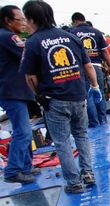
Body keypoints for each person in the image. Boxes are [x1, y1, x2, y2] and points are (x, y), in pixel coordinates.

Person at [21, 0, 99, 193]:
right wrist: (95, 86)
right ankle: (88, 173)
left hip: (55, 100)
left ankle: (74, 183)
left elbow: (30, 77)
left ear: (31, 19)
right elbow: (88, 66)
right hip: (79, 96)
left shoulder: (32, 42)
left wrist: (39, 95)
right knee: (81, 134)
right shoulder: (70, 37)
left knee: (62, 141)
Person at [0, 4, 38, 184]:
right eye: (20, 19)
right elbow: (29, 56)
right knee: (22, 132)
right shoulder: (9, 37)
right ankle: (13, 171)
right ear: (8, 21)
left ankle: (26, 167)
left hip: (12, 91)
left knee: (25, 131)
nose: (24, 22)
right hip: (12, 92)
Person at [69, 12, 110, 128]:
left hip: (82, 67)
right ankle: (103, 120)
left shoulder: (72, 33)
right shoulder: (96, 32)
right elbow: (105, 51)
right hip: (97, 66)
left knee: (87, 95)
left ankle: (93, 122)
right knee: (100, 92)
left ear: (74, 21)